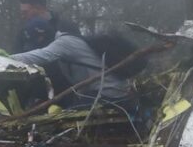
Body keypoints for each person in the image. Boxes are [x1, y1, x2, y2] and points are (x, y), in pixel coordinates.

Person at [10, 19, 138, 112]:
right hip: (112, 92)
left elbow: (40, 56)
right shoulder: (71, 41)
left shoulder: (65, 42)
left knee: (64, 119)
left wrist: (5, 58)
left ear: (42, 36)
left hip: (108, 94)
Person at [14, 0, 81, 54]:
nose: (23, 17)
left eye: (25, 12)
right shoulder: (23, 34)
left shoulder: (67, 28)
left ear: (39, 8)